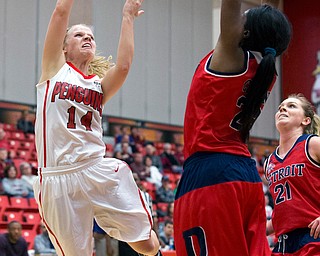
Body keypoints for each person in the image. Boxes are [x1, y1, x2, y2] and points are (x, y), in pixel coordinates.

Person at [33, 0, 160, 255]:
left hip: (95, 169)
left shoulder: (98, 87)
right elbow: (60, 12)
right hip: (58, 177)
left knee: (147, 245)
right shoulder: (53, 70)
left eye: (90, 36)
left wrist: (127, 17)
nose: (87, 38)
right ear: (64, 49)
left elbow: (123, 67)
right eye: (79, 35)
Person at [174, 0, 292, 255]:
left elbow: (230, 6)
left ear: (245, 32)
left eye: (244, 17)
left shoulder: (230, 57)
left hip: (211, 174)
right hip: (246, 176)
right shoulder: (265, 72)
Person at [265, 94, 320, 255]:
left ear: (305, 120)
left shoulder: (312, 144)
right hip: (283, 244)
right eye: (280, 107)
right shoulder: (270, 161)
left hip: (313, 237)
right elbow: (283, 212)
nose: (282, 108)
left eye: (291, 106)